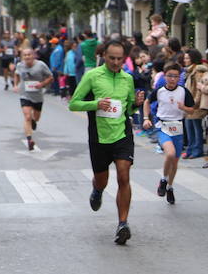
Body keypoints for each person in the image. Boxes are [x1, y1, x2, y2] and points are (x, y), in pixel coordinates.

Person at [69, 40, 144, 244]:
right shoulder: (92, 76)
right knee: (102, 179)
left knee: (123, 176)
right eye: (112, 58)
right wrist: (95, 104)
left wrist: (136, 105)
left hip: (122, 135)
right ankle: (98, 190)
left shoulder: (127, 78)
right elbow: (73, 104)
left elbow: (128, 109)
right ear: (104, 56)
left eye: (120, 59)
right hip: (99, 137)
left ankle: (123, 224)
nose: (116, 62)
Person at [143, 63, 194, 203]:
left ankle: (170, 187)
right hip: (162, 125)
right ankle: (163, 180)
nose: (172, 79)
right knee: (170, 153)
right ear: (165, 76)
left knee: (175, 161)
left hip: (177, 126)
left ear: (179, 78)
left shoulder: (184, 91)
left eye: (175, 76)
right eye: (170, 76)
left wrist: (184, 107)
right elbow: (147, 102)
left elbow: (192, 109)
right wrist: (146, 118)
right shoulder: (159, 91)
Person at [13, 48, 54, 151]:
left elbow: (50, 77)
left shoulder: (41, 65)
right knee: (27, 116)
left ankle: (33, 121)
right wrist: (15, 85)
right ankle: (29, 139)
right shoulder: (20, 65)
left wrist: (42, 84)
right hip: (25, 94)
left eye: (29, 55)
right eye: (25, 55)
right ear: (22, 57)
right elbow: (16, 75)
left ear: (33, 55)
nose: (27, 57)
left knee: (36, 117)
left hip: (37, 96)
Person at [182, 49, 207, 160]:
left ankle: (198, 149)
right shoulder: (189, 71)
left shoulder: (197, 71)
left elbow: (198, 90)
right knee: (189, 128)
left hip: (194, 106)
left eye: (187, 58)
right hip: (188, 105)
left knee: (196, 128)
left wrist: (194, 104)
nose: (185, 60)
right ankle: (191, 149)